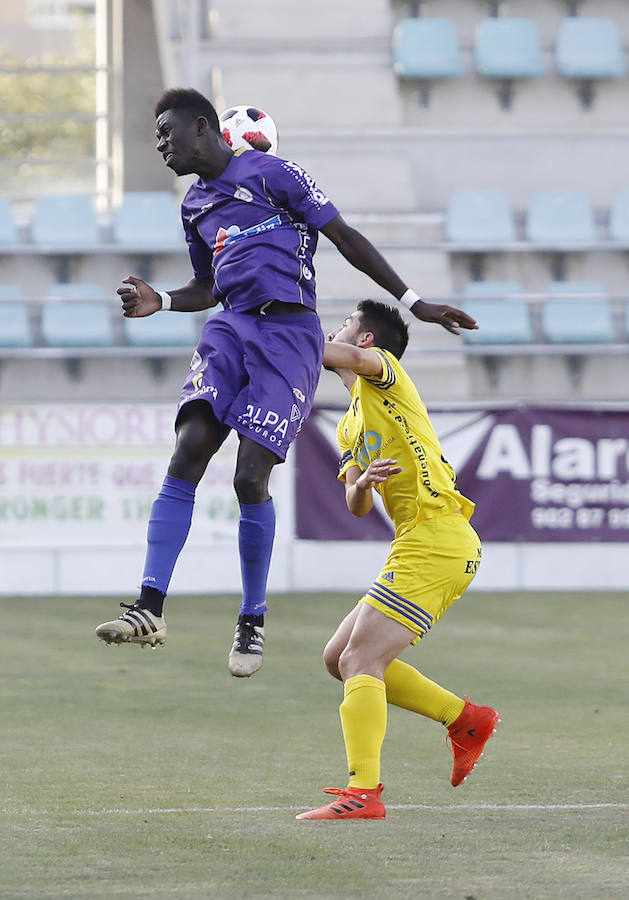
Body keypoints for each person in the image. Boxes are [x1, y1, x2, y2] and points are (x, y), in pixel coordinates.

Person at [94, 88, 477, 678]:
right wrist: (163, 300)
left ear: (204, 128)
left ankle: (251, 619)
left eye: (167, 133)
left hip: (291, 334)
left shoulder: (273, 174)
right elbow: (208, 286)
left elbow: (344, 237)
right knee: (189, 449)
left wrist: (415, 301)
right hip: (229, 329)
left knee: (250, 476)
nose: (160, 144)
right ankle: (151, 606)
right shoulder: (194, 205)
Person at [296, 300, 498, 820]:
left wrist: (271, 336)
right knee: (336, 658)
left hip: (438, 539)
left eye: (344, 325)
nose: (335, 331)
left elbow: (332, 353)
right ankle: (465, 718)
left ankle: (363, 792)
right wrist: (362, 483)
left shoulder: (387, 375)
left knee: (359, 660)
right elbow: (356, 507)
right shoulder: (348, 426)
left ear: (364, 342)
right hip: (419, 541)